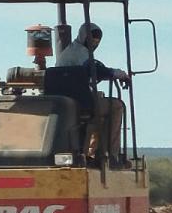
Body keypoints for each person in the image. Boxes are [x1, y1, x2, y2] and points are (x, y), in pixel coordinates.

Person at [55, 22, 130, 164]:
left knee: (99, 107)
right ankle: (109, 155)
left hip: (67, 102)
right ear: (84, 37)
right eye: (92, 40)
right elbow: (95, 70)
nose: (94, 44)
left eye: (97, 42)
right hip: (78, 103)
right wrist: (118, 74)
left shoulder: (70, 52)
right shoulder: (80, 54)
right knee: (116, 106)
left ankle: (91, 152)